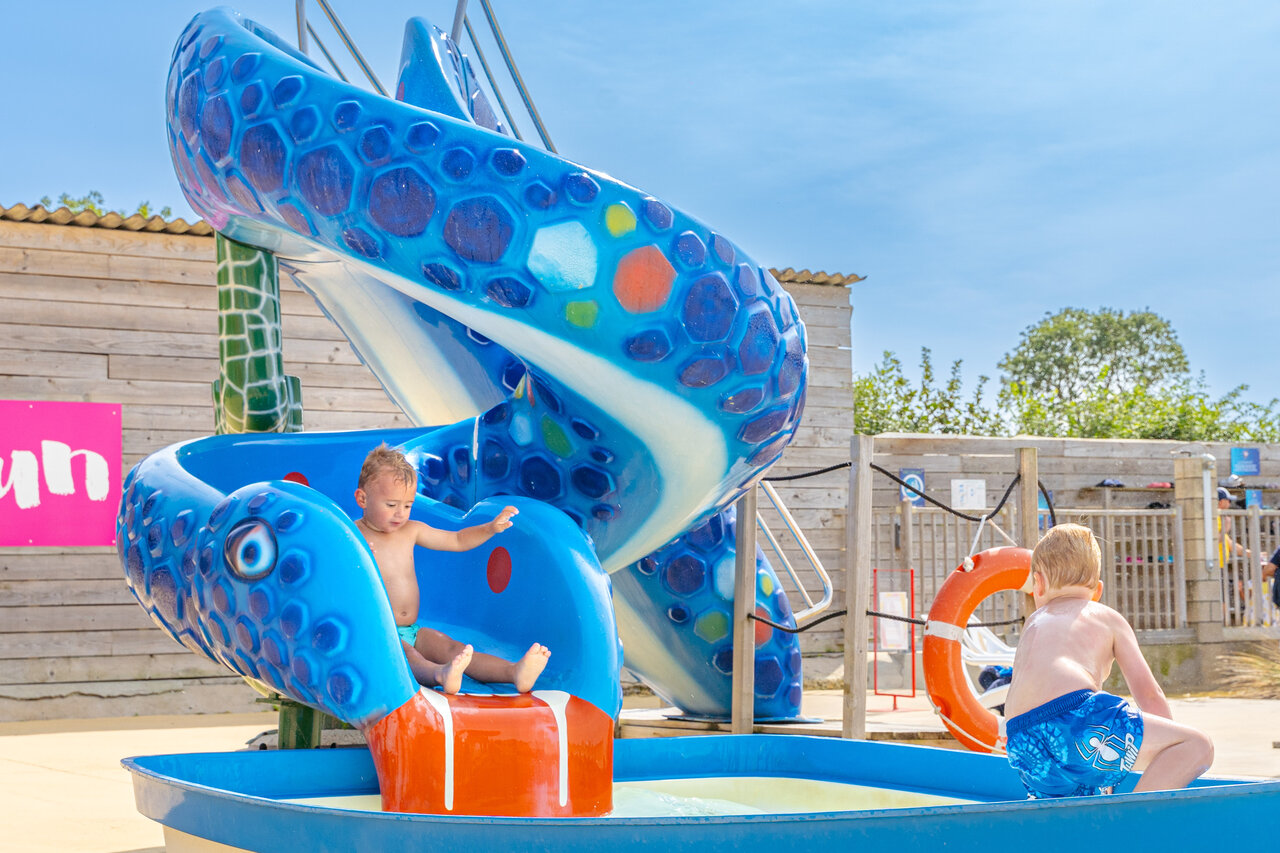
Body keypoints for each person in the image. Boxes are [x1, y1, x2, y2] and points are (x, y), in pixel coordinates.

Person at [1004, 523, 1213, 798]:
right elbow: (1149, 694)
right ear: (1098, 590)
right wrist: (1162, 749)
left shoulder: (1033, 623)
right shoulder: (1105, 616)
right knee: (1197, 746)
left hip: (1021, 736)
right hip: (1076, 715)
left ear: (1038, 584)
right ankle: (1133, 824)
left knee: (1080, 805)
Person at [354, 443, 550, 694]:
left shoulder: (411, 530)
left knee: (452, 648)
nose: (400, 514)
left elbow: (457, 540)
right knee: (408, 655)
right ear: (362, 499)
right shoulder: (354, 535)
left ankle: (514, 672)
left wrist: (489, 528)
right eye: (391, 505)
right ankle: (440, 673)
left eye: (407, 505)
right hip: (379, 632)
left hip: (412, 629)